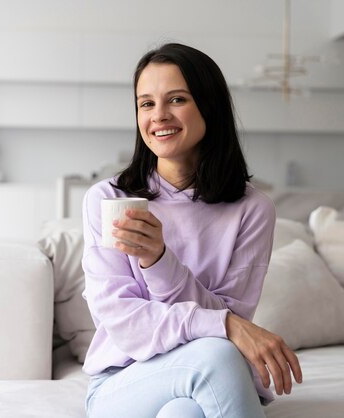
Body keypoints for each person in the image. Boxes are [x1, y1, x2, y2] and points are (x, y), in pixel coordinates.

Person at [81, 43, 302, 418]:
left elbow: (229, 325)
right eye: (146, 104)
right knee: (215, 353)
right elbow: (123, 323)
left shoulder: (252, 210)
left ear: (209, 106)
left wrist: (160, 262)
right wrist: (226, 324)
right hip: (123, 383)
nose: (159, 116)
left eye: (177, 99)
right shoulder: (109, 199)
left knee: (184, 413)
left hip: (210, 375)